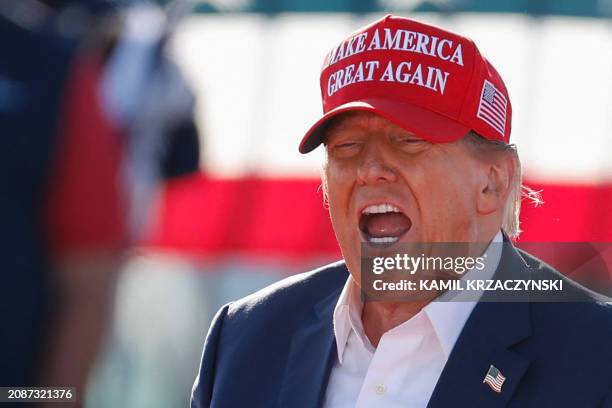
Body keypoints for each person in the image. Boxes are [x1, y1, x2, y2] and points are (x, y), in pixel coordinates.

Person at [190, 15, 612, 407]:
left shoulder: (597, 354)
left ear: (492, 183)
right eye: (346, 147)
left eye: (408, 142)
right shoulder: (245, 336)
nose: (370, 170)